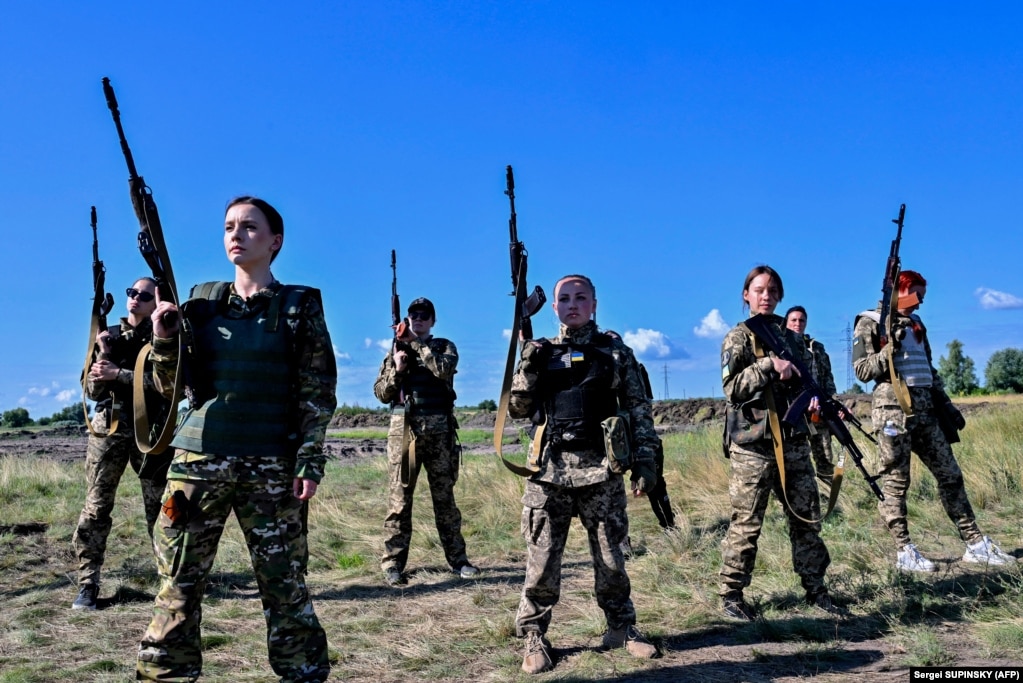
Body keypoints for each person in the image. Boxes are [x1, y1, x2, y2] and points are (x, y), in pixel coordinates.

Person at [136, 197, 336, 682]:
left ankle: (302, 674)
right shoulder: (201, 303)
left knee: (285, 586)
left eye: (250, 227)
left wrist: (308, 461)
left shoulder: (299, 305)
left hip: (271, 467)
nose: (237, 235)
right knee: (177, 585)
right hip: (196, 467)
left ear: (275, 242)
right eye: (229, 227)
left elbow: (317, 391)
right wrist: (164, 339)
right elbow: (170, 387)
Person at [509, 274, 659, 674]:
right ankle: (534, 637)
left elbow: (638, 408)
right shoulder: (539, 351)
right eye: (564, 299)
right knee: (542, 562)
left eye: (580, 298)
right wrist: (527, 363)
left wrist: (645, 462)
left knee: (611, 559)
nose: (572, 304)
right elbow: (518, 411)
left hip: (601, 470)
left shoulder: (614, 352)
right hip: (549, 472)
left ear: (594, 304)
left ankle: (621, 629)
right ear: (554, 307)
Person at [853, 269, 1014, 572]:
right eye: (916, 296)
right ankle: (905, 552)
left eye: (922, 298)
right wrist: (890, 348)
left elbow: (928, 367)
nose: (920, 304)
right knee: (896, 483)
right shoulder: (870, 322)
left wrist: (948, 405)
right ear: (899, 290)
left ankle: (975, 544)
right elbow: (862, 371)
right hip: (893, 413)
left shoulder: (916, 323)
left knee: (951, 475)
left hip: (927, 412)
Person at [719, 266, 837, 621]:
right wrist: (768, 365)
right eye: (758, 290)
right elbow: (732, 389)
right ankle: (731, 594)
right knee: (747, 522)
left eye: (772, 290)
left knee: (807, 519)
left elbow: (806, 381)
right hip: (753, 446)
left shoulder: (793, 336)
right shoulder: (738, 337)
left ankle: (816, 589)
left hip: (794, 441)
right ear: (746, 295)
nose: (765, 295)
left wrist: (815, 402)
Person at [71, 277, 169, 611]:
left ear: (157, 302)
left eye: (143, 295)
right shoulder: (108, 334)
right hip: (109, 429)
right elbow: (91, 391)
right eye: (131, 293)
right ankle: (88, 582)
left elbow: (167, 384)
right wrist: (102, 355)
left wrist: (120, 374)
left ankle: (170, 579)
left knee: (161, 508)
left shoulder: (164, 337)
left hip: (152, 430)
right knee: (97, 507)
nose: (134, 299)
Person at [373, 296, 477, 586]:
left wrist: (416, 344)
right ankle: (393, 564)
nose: (418, 319)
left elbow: (442, 369)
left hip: (440, 435)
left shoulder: (443, 346)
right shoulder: (395, 350)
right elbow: (381, 393)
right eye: (413, 314)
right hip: (404, 434)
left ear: (433, 320)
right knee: (399, 502)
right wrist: (398, 369)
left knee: (445, 501)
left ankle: (459, 561)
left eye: (424, 315)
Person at [784, 305, 839, 496]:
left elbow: (827, 378)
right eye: (793, 320)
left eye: (801, 320)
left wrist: (832, 403)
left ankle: (826, 497)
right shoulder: (781, 346)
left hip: (818, 410)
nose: (798, 324)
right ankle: (796, 498)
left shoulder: (816, 347)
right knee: (794, 459)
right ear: (786, 322)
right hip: (795, 412)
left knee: (824, 455)